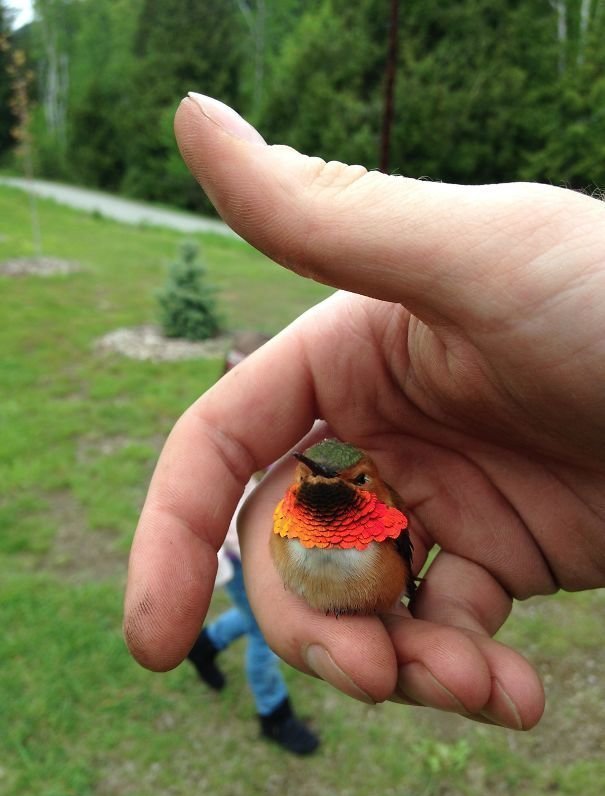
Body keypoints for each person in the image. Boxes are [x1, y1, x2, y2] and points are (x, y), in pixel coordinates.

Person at [124, 94, 605, 732]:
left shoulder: (387, 528)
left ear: (370, 490)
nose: (319, 485)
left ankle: (217, 645)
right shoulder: (287, 522)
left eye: (343, 482)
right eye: (312, 479)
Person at [186, 334, 319, 755]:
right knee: (268, 636)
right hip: (246, 562)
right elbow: (226, 523)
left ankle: (205, 646)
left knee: (253, 618)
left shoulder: (285, 439)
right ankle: (274, 715)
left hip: (271, 558)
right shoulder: (222, 455)